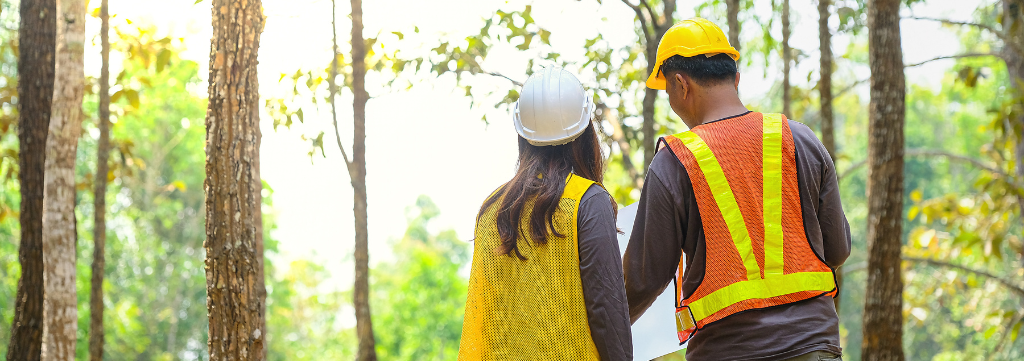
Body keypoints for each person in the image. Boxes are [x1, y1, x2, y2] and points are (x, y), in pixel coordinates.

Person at [622, 18, 851, 361]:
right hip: (814, 345)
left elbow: (642, 280)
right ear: (735, 79)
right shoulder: (799, 138)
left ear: (681, 85)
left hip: (727, 351)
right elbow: (836, 250)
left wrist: (594, 332)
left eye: (667, 90)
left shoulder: (674, 162)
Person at [458, 67, 632, 361]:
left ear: (522, 135)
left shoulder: (493, 209)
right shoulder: (588, 201)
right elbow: (607, 314)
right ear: (585, 133)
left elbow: (486, 317)